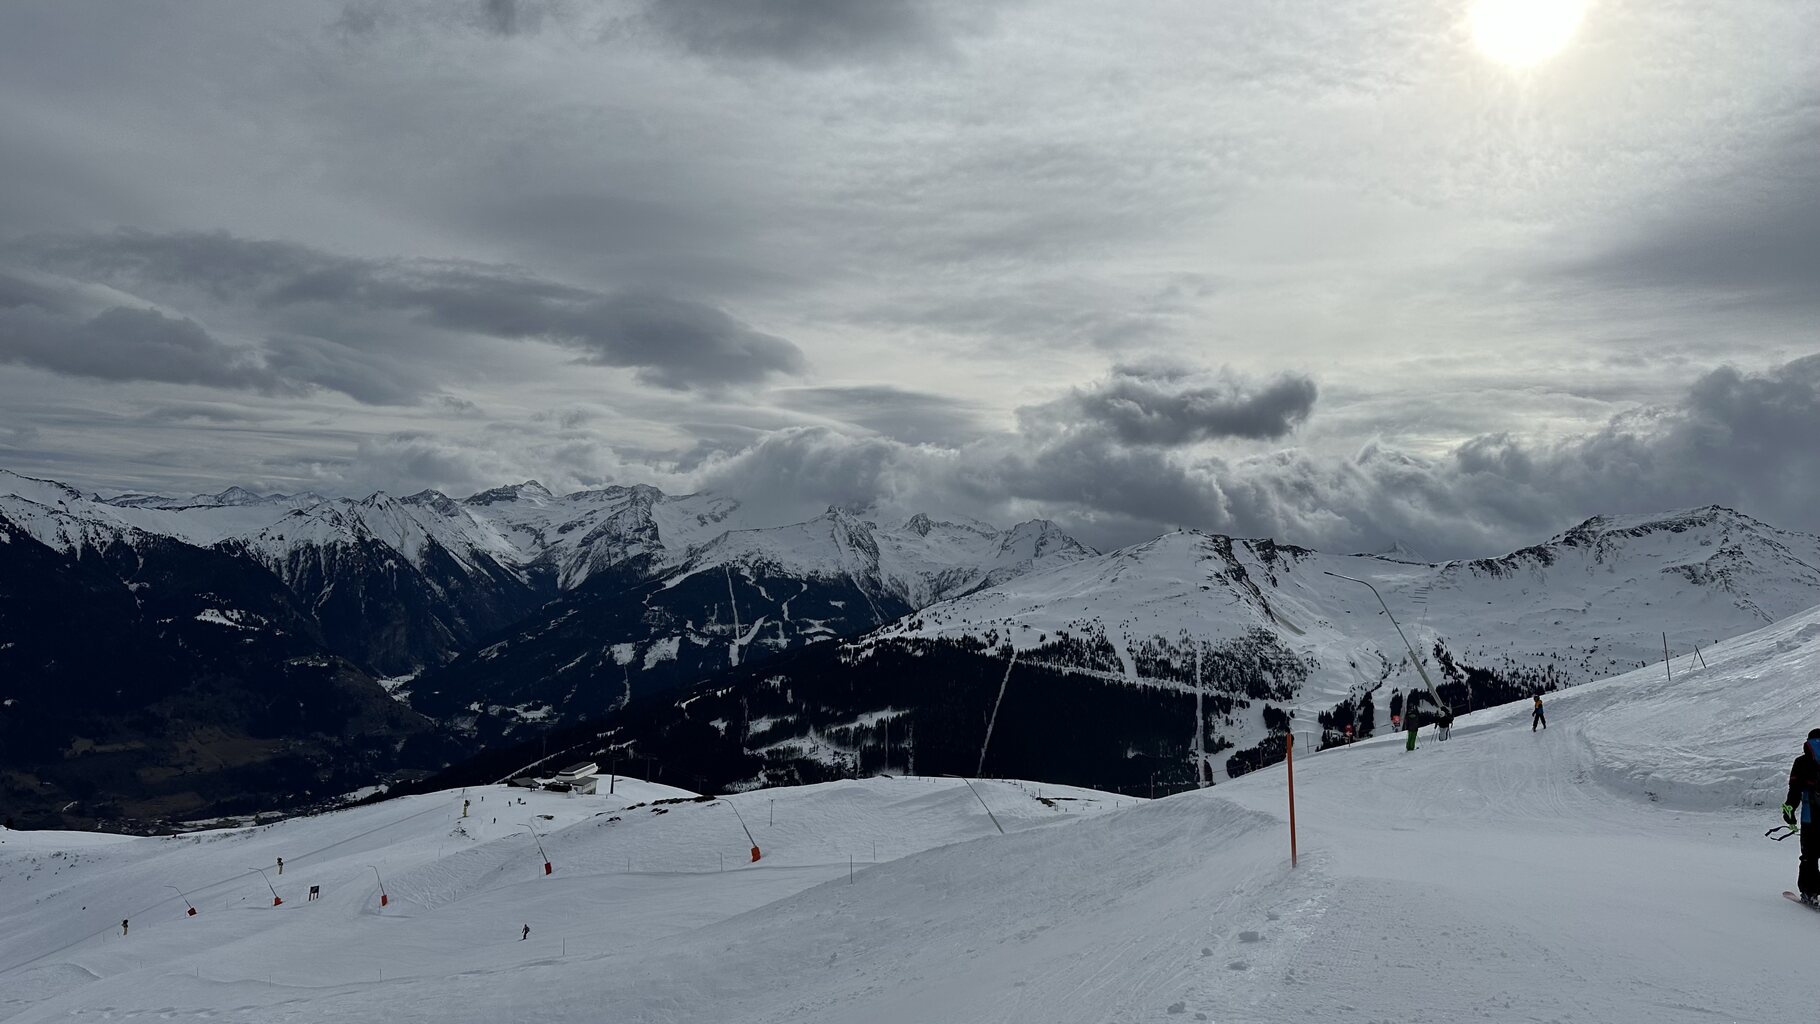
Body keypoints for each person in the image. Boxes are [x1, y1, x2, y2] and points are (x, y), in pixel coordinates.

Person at [1783, 729, 1820, 906]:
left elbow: (1795, 791)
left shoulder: (1801, 762)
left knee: (1810, 855)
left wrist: (1789, 812)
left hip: (1810, 817)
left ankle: (1810, 893)